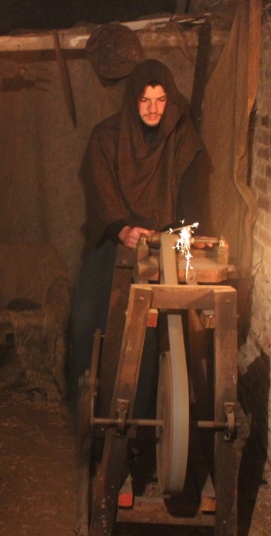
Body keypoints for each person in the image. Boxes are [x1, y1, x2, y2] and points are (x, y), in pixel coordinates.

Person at [67, 59, 207, 416]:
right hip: (113, 242)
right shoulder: (107, 136)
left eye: (161, 100)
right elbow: (99, 187)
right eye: (145, 100)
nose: (153, 109)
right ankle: (88, 411)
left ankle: (140, 421)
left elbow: (191, 199)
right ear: (134, 100)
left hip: (163, 247)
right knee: (86, 320)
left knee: (150, 332)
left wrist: (171, 235)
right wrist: (122, 229)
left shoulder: (183, 138)